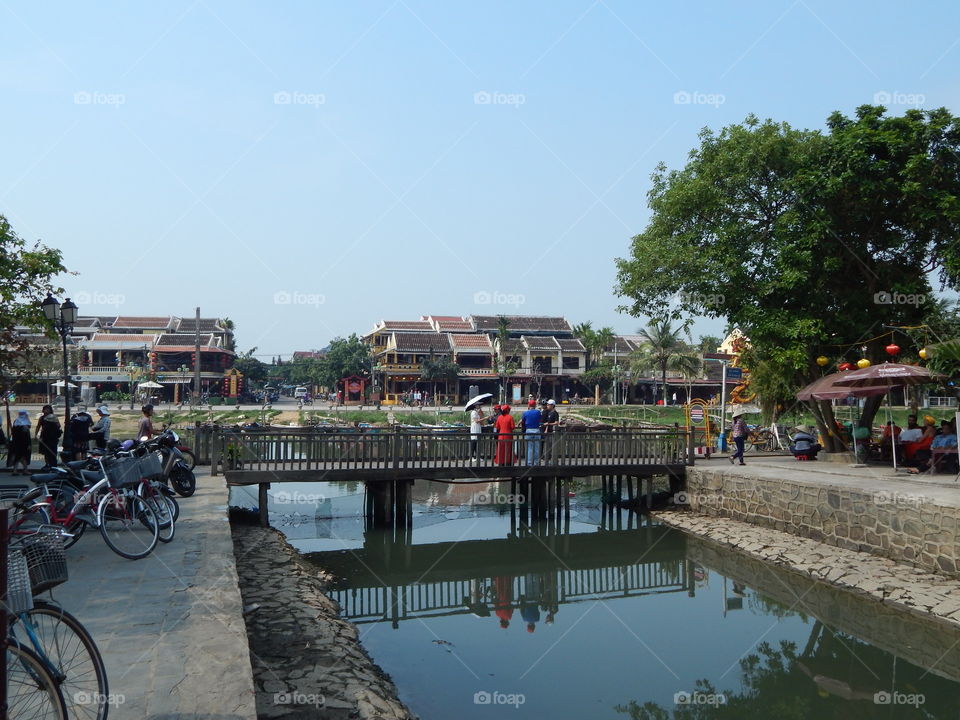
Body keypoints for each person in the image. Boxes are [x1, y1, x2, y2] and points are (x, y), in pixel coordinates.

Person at [9, 410, 32, 475]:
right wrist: (28, 444)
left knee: (18, 456)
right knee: (22, 456)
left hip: (16, 442)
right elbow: (26, 436)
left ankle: (16, 470)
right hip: (23, 443)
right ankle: (24, 470)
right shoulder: (25, 424)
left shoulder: (16, 422)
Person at [521, 399, 542, 465]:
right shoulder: (538, 412)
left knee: (529, 447)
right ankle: (536, 463)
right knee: (537, 448)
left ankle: (529, 463)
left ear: (529, 405)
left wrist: (523, 429)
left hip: (529, 430)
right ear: (535, 405)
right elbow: (540, 419)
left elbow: (523, 422)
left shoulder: (525, 413)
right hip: (536, 430)